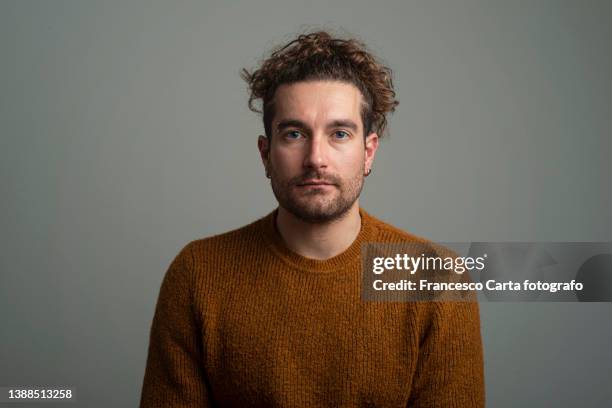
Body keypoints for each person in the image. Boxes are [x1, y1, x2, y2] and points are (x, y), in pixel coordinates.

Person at [139, 30, 484, 407]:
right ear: (265, 154)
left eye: (339, 133)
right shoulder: (198, 274)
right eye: (294, 133)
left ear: (368, 152)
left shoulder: (437, 281)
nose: (316, 158)